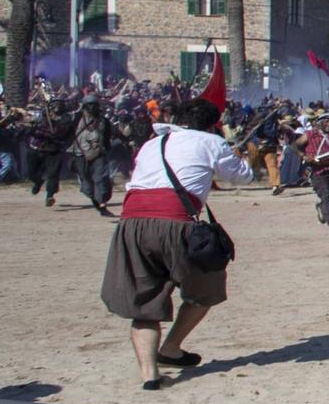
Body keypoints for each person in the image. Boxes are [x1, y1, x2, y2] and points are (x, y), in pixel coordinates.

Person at [100, 96, 253, 389]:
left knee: (144, 302)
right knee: (206, 290)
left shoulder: (151, 143)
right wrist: (235, 154)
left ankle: (150, 375)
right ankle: (170, 348)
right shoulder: (212, 143)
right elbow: (241, 177)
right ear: (213, 124)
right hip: (175, 223)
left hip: (131, 224)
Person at [293, 110, 329, 236]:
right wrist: (304, 156)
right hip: (317, 171)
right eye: (326, 121)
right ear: (319, 123)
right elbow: (295, 146)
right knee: (326, 196)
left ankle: (322, 208)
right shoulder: (309, 135)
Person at [71, 93, 116, 215]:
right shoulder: (75, 119)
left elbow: (107, 137)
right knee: (86, 181)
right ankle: (96, 200)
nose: (92, 108)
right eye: (89, 105)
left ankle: (102, 203)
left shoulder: (104, 121)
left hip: (99, 153)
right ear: (84, 106)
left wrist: (107, 149)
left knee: (100, 178)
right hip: (80, 154)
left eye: (94, 105)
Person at [26, 100, 68, 207]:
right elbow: (28, 124)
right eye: (54, 111)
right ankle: (38, 182)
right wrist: (32, 127)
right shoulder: (39, 117)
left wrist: (56, 136)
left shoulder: (65, 120)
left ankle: (50, 195)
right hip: (36, 148)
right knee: (32, 173)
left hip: (53, 150)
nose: (56, 114)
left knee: (53, 174)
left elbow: (63, 134)